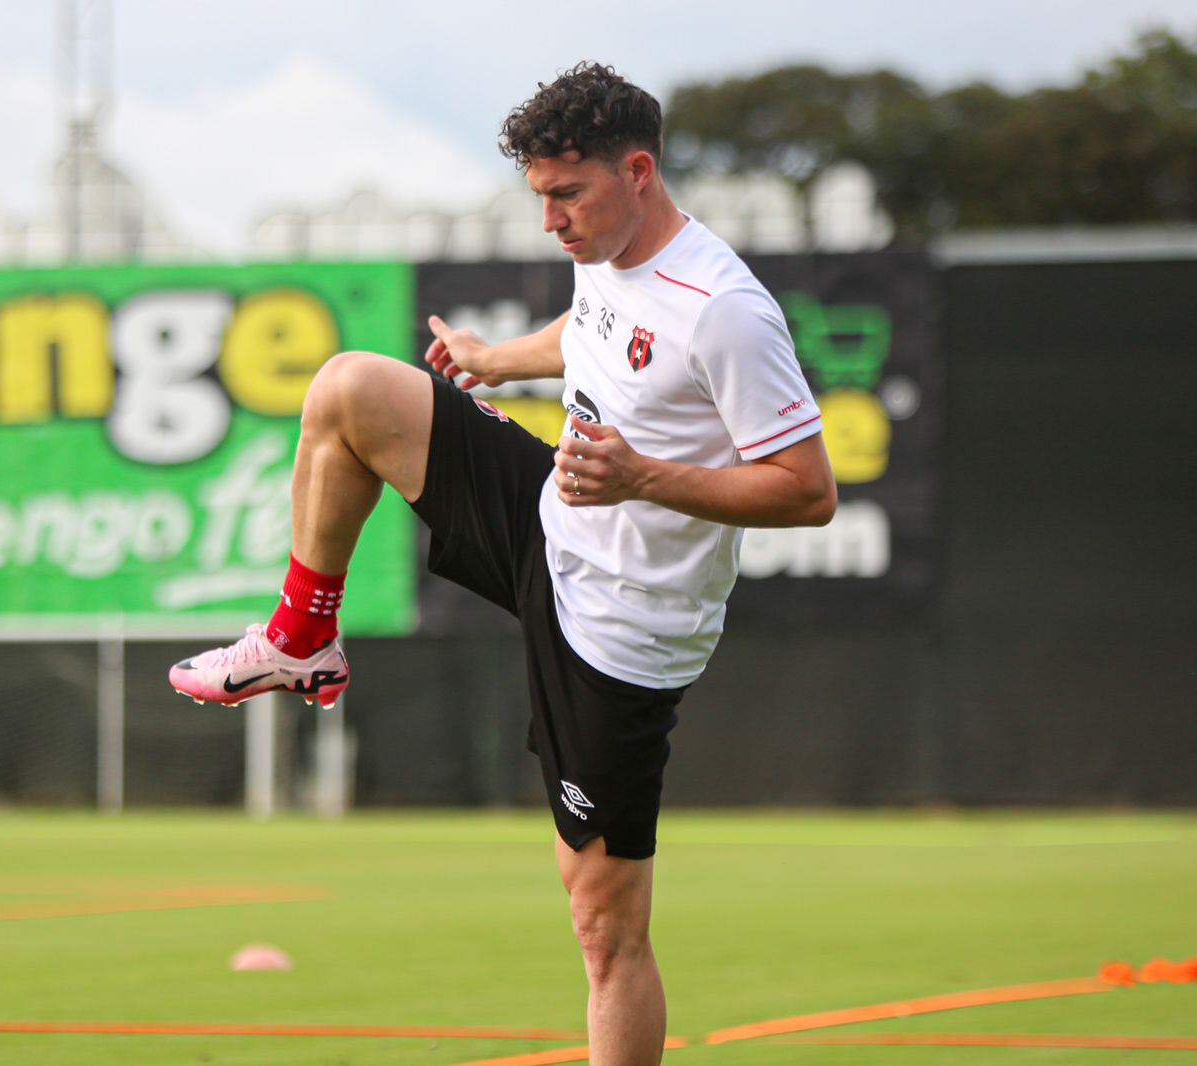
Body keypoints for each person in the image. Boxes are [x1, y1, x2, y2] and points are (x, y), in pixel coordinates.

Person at [169, 61, 836, 1065]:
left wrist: (642, 478)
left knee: (604, 931)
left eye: (567, 194)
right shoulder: (607, 251)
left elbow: (806, 488)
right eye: (539, 197)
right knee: (351, 389)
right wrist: (497, 358)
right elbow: (594, 331)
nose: (551, 222)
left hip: (621, 630)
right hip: (551, 521)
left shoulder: (724, 310)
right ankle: (300, 635)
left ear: (639, 171)